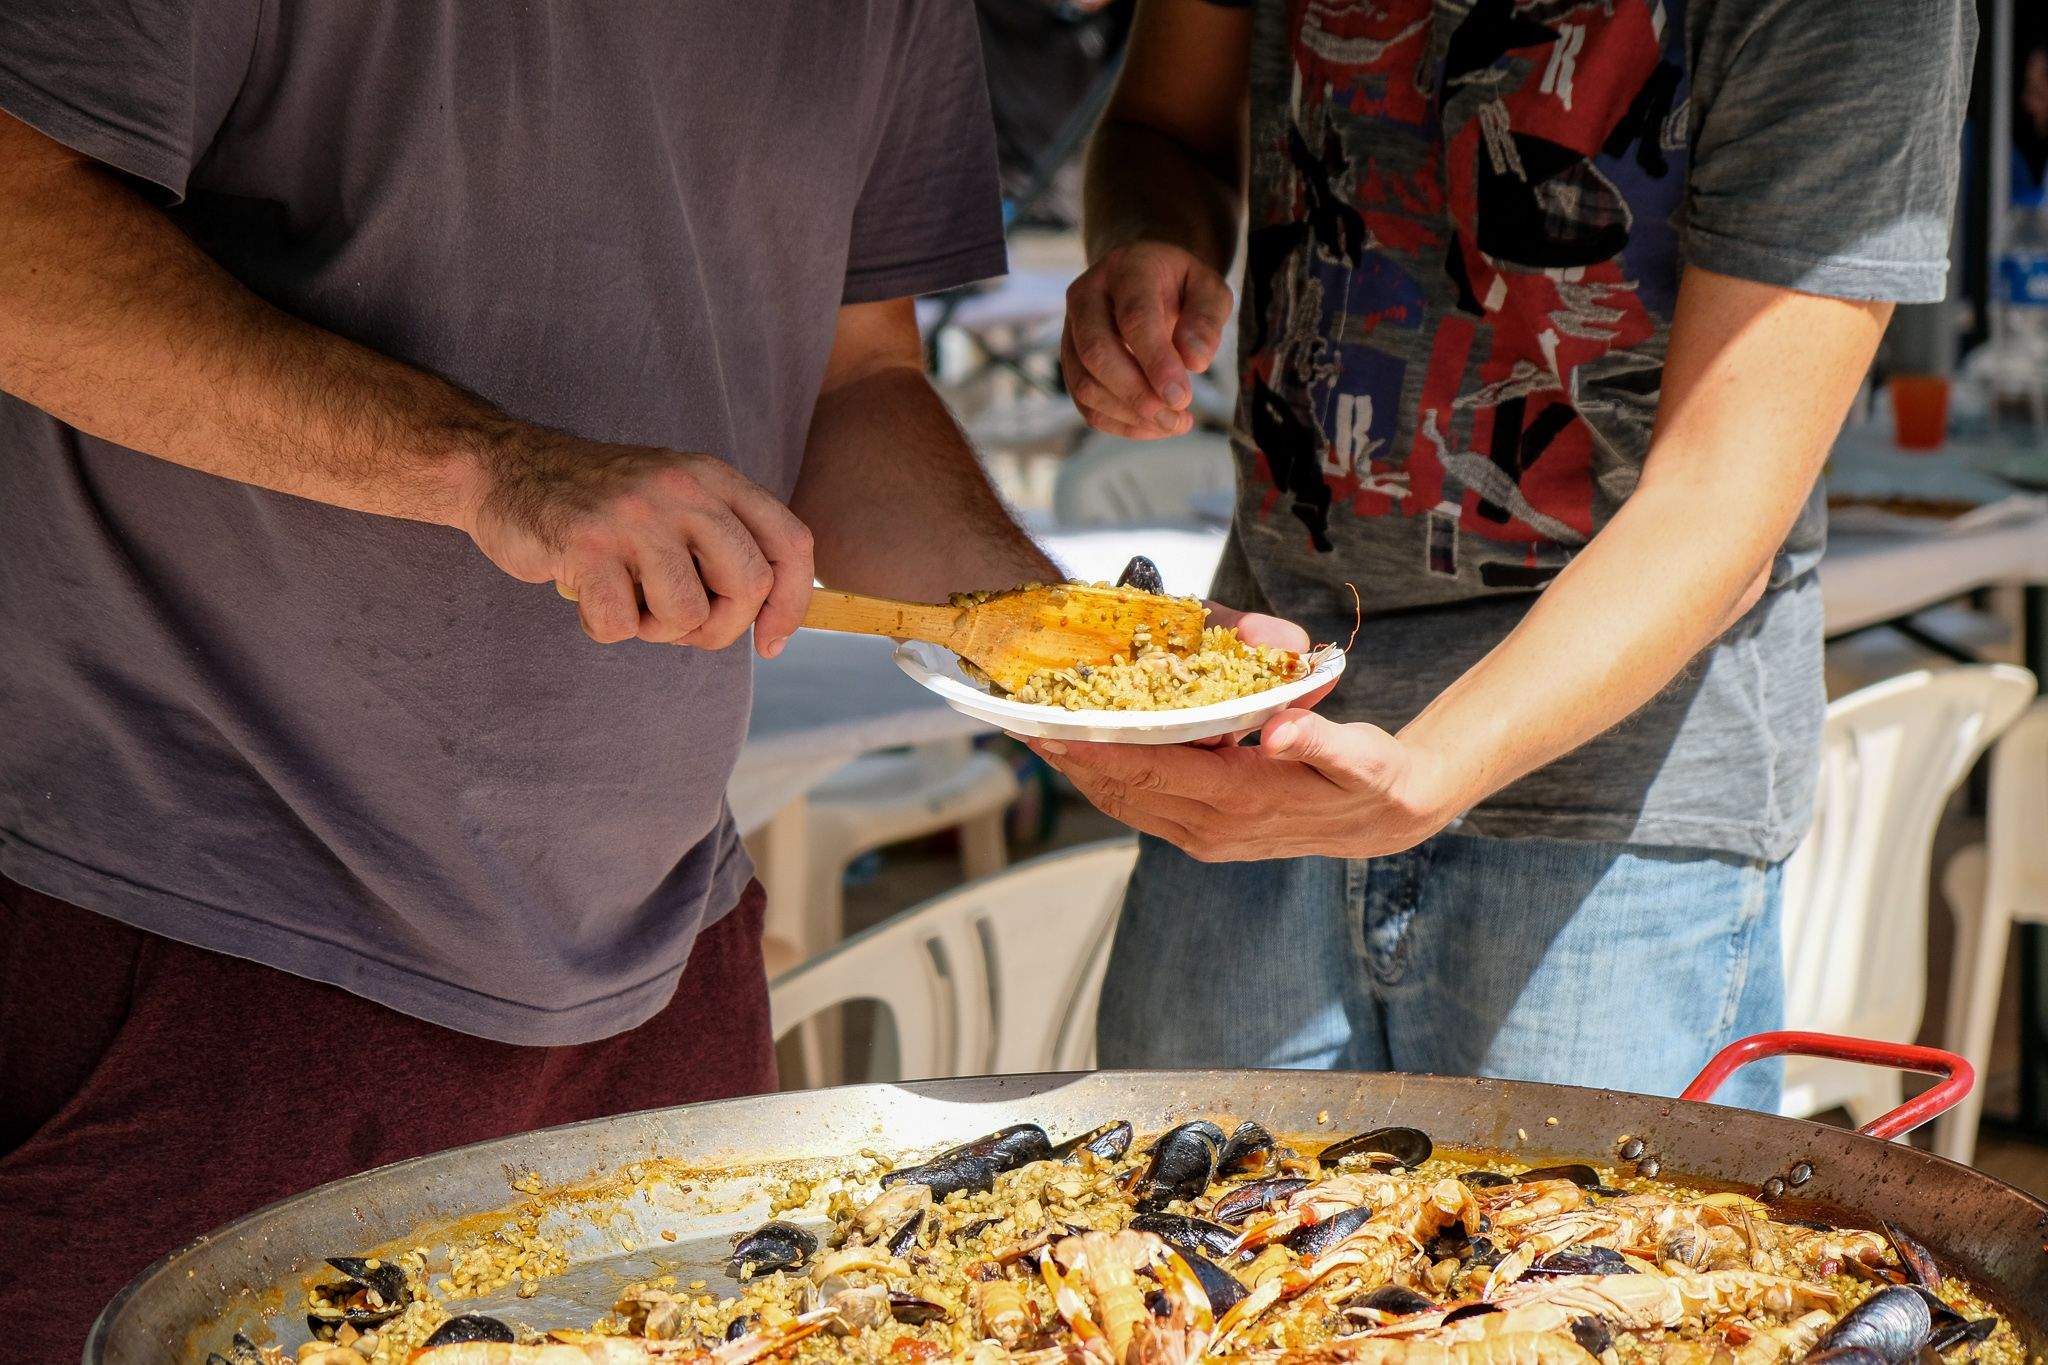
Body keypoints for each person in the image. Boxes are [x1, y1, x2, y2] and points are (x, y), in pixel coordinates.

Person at [0, 2, 1054, 1354]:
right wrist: (490, 464)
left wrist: (1076, 667)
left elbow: (858, 379)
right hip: (194, 918)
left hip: (667, 954)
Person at [1039, 0, 1975, 1098]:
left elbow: (1718, 499)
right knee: (1162, 1254)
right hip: (1253, 737)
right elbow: (1161, 126)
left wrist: (1424, 776)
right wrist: (1153, 240)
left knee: (1562, 1267)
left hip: (1619, 797)